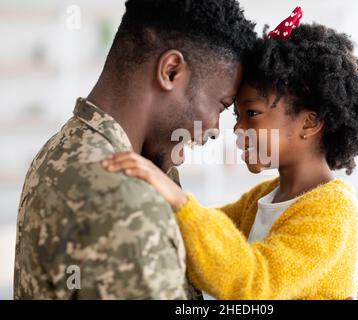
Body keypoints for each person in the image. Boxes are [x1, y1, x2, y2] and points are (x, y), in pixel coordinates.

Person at [102, 8, 358, 299]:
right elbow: (206, 242)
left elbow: (255, 284)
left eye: (252, 113)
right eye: (237, 115)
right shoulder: (264, 197)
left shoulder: (333, 209)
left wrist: (179, 200)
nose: (238, 128)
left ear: (309, 122)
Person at [14, 0, 256, 299]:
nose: (217, 128)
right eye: (221, 106)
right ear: (170, 71)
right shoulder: (129, 202)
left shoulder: (61, 148)